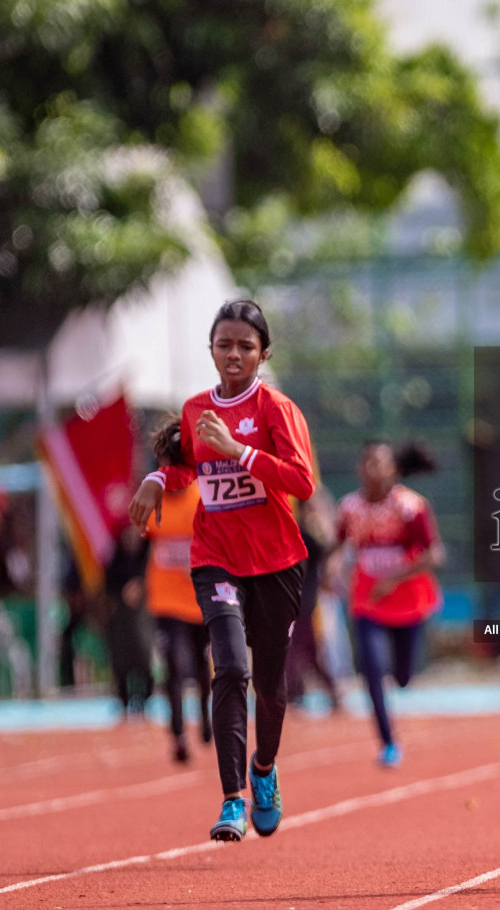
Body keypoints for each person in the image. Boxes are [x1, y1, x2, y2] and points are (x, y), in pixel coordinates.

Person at [129, 298, 316, 842]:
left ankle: (264, 770)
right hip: (216, 558)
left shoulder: (277, 408)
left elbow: (302, 482)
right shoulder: (194, 410)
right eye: (224, 345)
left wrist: (238, 450)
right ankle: (232, 799)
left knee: (271, 688)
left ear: (263, 353)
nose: (234, 355)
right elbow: (188, 465)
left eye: (245, 346)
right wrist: (158, 479)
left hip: (277, 561)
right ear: (210, 349)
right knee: (231, 669)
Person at [336, 442, 444, 767]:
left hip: (408, 600)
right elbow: (338, 544)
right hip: (368, 601)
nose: (372, 469)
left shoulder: (410, 507)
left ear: (393, 469)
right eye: (367, 461)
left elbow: (434, 554)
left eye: (380, 463)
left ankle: (404, 676)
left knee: (402, 676)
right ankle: (388, 742)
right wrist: (331, 567)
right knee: (371, 669)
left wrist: (395, 578)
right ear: (359, 467)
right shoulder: (350, 507)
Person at [144, 476, 212, 763]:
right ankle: (178, 734)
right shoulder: (152, 500)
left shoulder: (202, 499)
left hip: (198, 601)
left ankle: (206, 716)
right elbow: (138, 543)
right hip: (166, 601)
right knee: (173, 663)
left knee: (200, 664)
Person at [286, 494, 341, 712]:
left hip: (301, 603)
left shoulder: (303, 535)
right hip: (297, 602)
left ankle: (296, 693)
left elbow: (328, 551)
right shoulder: (298, 534)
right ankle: (298, 692)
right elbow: (328, 550)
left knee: (302, 650)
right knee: (301, 650)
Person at [103, 525, 154, 716]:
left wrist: (141, 586)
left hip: (144, 615)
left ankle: (145, 697)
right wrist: (123, 592)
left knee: (144, 655)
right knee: (121, 660)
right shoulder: (116, 559)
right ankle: (123, 698)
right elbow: (107, 584)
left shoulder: (148, 556)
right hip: (121, 618)